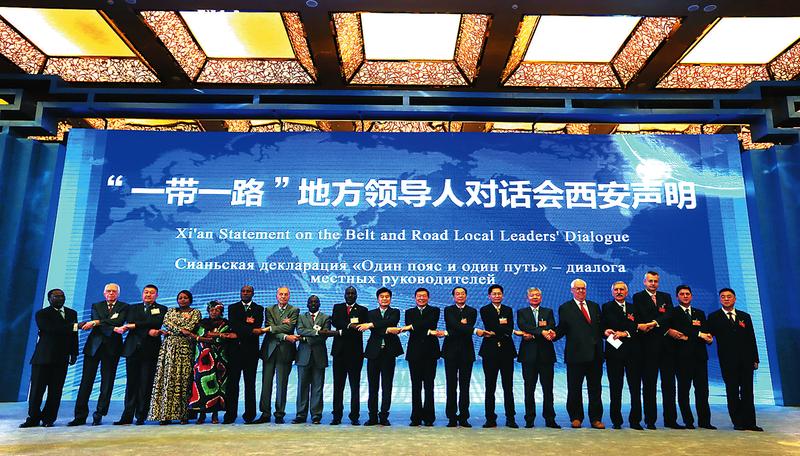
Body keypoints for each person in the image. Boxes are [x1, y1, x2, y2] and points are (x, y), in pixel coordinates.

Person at [552, 278, 609, 429]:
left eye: (583, 288)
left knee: (595, 389)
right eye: (577, 288)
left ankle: (596, 419)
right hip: (575, 355)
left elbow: (600, 327)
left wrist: (606, 332)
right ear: (572, 290)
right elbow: (562, 328)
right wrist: (553, 334)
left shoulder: (594, 306)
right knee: (574, 388)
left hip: (595, 355)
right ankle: (576, 417)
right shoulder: (565, 307)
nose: (581, 291)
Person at [69, 283, 128, 426]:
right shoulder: (96, 306)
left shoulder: (124, 307)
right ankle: (80, 416)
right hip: (93, 348)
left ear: (118, 294)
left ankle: (99, 414)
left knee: (107, 383)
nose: (111, 293)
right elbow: (109, 324)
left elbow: (119, 321)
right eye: (108, 291)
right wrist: (111, 327)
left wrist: (96, 322)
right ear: (104, 293)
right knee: (86, 382)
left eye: (114, 291)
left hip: (112, 349)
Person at [20, 289, 78, 428]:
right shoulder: (42, 314)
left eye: (62, 296)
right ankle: (33, 417)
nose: (60, 298)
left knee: (56, 391)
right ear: (49, 298)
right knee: (37, 390)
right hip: (43, 358)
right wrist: (75, 326)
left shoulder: (72, 313)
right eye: (56, 296)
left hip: (62, 358)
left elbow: (74, 335)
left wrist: (74, 352)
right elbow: (52, 329)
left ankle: (49, 418)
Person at [706, 288, 762, 431]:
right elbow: (708, 335)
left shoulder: (745, 316)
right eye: (723, 297)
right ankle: (738, 422)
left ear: (735, 299)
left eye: (729, 296)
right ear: (720, 299)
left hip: (746, 360)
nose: (726, 299)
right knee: (732, 391)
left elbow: (751, 338)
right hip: (728, 361)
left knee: (748, 391)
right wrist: (707, 338)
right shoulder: (714, 317)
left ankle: (751, 422)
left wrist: (755, 358)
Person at [632, 271, 682, 429]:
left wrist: (654, 323)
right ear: (644, 282)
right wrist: (659, 323)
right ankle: (650, 420)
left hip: (667, 347)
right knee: (649, 385)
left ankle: (671, 420)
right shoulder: (638, 297)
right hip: (648, 348)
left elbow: (670, 315)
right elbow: (643, 317)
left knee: (669, 385)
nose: (653, 283)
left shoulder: (665, 297)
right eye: (650, 281)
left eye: (655, 281)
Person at [113, 284, 167, 425]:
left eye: (151, 293)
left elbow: (155, 321)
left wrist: (135, 326)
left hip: (150, 351)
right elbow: (131, 321)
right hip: (132, 350)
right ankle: (127, 416)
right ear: (142, 294)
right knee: (131, 384)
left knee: (146, 384)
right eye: (146, 292)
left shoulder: (162, 309)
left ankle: (141, 415)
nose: (148, 295)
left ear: (156, 295)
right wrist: (147, 330)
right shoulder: (132, 308)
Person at [148, 290, 201, 425]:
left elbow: (190, 326)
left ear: (190, 299)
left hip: (186, 348)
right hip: (169, 348)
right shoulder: (170, 311)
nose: (182, 300)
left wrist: (176, 330)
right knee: (167, 378)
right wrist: (181, 330)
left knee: (184, 380)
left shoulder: (196, 312)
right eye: (180, 298)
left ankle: (183, 414)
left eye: (185, 298)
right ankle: (165, 415)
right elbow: (167, 323)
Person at [670, 285, 715, 430]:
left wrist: (708, 337)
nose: (685, 296)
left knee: (702, 391)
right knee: (684, 390)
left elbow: (705, 331)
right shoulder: (673, 313)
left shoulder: (699, 313)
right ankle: (688, 421)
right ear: (677, 297)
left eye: (687, 294)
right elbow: (681, 329)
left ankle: (705, 421)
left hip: (700, 357)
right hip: (682, 358)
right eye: (682, 294)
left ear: (691, 296)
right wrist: (698, 334)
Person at [601, 281, 643, 430]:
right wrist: (605, 331)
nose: (619, 292)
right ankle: (616, 421)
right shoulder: (606, 307)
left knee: (635, 388)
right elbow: (602, 327)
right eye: (616, 290)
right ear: (612, 292)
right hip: (614, 353)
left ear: (627, 292)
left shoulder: (634, 308)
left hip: (633, 353)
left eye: (622, 290)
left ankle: (635, 421)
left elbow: (638, 327)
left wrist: (625, 333)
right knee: (615, 388)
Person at [254, 286, 299, 424]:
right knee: (266, 384)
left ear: (289, 296)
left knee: (282, 384)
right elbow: (271, 328)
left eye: (286, 294)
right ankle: (265, 413)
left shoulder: (294, 310)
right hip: (269, 350)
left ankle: (279, 414)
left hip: (285, 352)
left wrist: (270, 328)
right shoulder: (269, 309)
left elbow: (289, 327)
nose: (283, 296)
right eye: (281, 294)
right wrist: (285, 336)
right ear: (277, 296)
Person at [516, 287, 560, 429]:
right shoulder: (522, 312)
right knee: (529, 389)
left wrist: (535, 334)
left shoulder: (548, 312)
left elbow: (551, 326)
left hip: (546, 356)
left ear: (541, 297)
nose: (535, 297)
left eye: (537, 295)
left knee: (548, 389)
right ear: (527, 298)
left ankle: (550, 419)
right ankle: (529, 419)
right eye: (532, 295)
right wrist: (541, 332)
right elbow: (524, 326)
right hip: (528, 356)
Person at [361, 287, 403, 426]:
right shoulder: (370, 313)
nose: (384, 299)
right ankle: (372, 416)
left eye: (387, 296)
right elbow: (380, 329)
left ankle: (384, 416)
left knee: (387, 386)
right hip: (373, 353)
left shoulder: (395, 312)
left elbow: (391, 322)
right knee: (372, 387)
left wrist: (372, 325)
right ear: (377, 299)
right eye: (382, 296)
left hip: (389, 353)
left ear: (390, 298)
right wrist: (387, 329)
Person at [442, 287, 483, 428]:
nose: (460, 296)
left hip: (466, 353)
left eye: (463, 293)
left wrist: (451, 332)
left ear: (466, 296)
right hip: (450, 352)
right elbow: (454, 325)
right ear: (453, 296)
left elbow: (458, 329)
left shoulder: (472, 311)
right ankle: (452, 417)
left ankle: (464, 417)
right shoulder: (448, 310)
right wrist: (474, 330)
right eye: (457, 294)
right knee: (451, 385)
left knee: (465, 386)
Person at [189, 300, 235, 424]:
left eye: (217, 310)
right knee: (202, 386)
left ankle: (215, 414)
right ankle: (202, 414)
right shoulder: (201, 323)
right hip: (204, 360)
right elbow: (203, 336)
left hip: (221, 359)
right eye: (212, 310)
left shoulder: (226, 323)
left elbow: (226, 337)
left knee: (218, 386)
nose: (214, 312)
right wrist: (218, 335)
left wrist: (215, 336)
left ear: (221, 311)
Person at [478, 284, 518, 428]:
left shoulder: (508, 309)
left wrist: (499, 331)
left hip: (507, 351)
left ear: (503, 295)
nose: (497, 296)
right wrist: (503, 331)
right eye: (494, 294)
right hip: (490, 352)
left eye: (499, 293)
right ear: (489, 296)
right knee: (490, 386)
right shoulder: (484, 310)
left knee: (508, 386)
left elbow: (509, 328)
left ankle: (510, 418)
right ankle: (490, 418)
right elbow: (490, 326)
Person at [223, 285, 263, 424]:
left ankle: (249, 415)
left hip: (251, 352)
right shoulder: (232, 308)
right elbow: (234, 325)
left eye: (248, 291)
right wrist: (251, 330)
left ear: (253, 293)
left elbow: (257, 325)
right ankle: (230, 415)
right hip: (234, 351)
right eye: (243, 291)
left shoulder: (259, 309)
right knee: (232, 384)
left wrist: (242, 331)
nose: (245, 293)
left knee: (250, 384)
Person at [329, 286, 369, 425]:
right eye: (348, 293)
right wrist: (350, 326)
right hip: (339, 353)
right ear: (344, 295)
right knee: (338, 386)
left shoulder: (363, 310)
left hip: (355, 354)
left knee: (355, 386)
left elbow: (361, 327)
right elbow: (335, 322)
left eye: (353, 293)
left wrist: (345, 328)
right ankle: (337, 416)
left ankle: (354, 416)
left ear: (356, 295)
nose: (350, 295)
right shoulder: (337, 307)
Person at [404, 287, 443, 426]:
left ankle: (429, 418)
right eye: (419, 296)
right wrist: (427, 331)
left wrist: (413, 326)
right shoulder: (409, 312)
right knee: (415, 386)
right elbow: (422, 327)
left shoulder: (434, 310)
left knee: (429, 386)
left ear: (428, 297)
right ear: (415, 298)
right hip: (414, 353)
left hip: (430, 353)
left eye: (424, 296)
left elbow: (430, 324)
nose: (421, 298)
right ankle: (415, 417)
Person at [294, 295, 332, 424]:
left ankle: (316, 415)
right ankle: (301, 415)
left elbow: (324, 336)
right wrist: (316, 332)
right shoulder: (301, 317)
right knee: (302, 387)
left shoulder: (325, 318)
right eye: (311, 302)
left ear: (319, 304)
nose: (313, 304)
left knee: (317, 387)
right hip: (303, 356)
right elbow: (300, 330)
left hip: (319, 356)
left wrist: (305, 338)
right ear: (307, 304)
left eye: (316, 302)